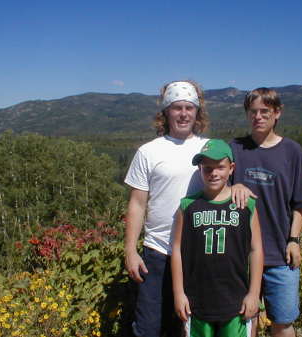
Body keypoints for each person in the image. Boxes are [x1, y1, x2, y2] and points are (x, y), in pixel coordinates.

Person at [124, 80, 209, 337]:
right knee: (149, 327)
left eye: (189, 108)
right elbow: (137, 204)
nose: (183, 114)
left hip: (198, 253)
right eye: (176, 108)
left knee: (192, 326)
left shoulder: (209, 149)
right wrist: (130, 250)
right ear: (166, 112)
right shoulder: (148, 152)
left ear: (197, 113)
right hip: (157, 252)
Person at [230, 88, 302, 337]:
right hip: (241, 256)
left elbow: (300, 203)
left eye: (265, 111)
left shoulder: (292, 152)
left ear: (277, 113)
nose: (258, 116)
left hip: (280, 254)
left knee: (284, 321)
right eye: (253, 112)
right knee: (245, 321)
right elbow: (216, 189)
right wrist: (233, 185)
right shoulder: (234, 149)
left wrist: (294, 241)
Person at [171, 139, 264, 337]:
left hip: (235, 301)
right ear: (200, 169)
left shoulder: (246, 206)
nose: (214, 173)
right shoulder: (188, 206)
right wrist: (179, 293)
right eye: (207, 168)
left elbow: (256, 250)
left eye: (220, 167)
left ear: (231, 168)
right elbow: (177, 250)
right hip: (197, 302)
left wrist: (254, 293)